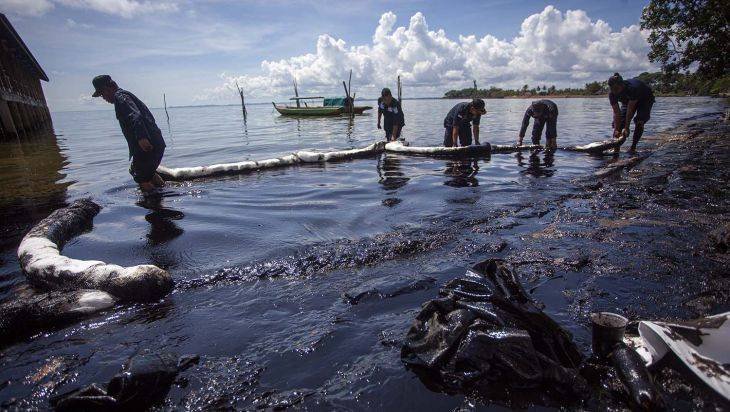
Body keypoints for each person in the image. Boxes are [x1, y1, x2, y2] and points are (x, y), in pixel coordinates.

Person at [91, 75, 166, 192]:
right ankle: (163, 190)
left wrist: (142, 138)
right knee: (138, 171)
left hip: (147, 144)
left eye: (102, 94)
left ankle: (154, 203)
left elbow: (135, 115)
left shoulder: (120, 97)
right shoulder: (123, 96)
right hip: (154, 143)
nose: (103, 98)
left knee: (141, 177)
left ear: (107, 88)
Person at [608, 73, 655, 152]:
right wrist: (616, 129)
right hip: (627, 101)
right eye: (612, 89)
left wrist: (627, 127)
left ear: (622, 85)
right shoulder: (612, 94)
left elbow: (630, 110)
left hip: (645, 99)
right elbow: (616, 113)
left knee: (639, 121)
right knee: (618, 126)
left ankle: (633, 148)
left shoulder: (632, 88)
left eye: (616, 88)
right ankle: (616, 150)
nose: (614, 91)